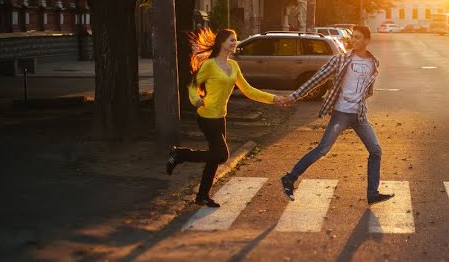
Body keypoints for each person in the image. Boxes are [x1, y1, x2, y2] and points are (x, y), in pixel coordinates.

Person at [165, 28, 287, 207]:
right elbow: (192, 84)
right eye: (231, 40)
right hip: (206, 116)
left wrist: (274, 99)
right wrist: (196, 99)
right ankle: (180, 154)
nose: (235, 43)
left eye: (235, 40)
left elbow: (248, 90)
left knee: (215, 157)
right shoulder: (209, 65)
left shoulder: (233, 66)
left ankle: (202, 195)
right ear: (221, 43)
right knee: (221, 155)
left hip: (220, 117)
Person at [279, 25, 394, 205]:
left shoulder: (374, 63)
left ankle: (372, 193)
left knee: (375, 151)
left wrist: (360, 99)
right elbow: (317, 78)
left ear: (366, 40)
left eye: (357, 37)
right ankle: (289, 178)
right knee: (323, 149)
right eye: (352, 37)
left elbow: (368, 89)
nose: (353, 40)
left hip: (359, 115)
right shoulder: (340, 60)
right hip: (341, 113)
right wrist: (294, 96)